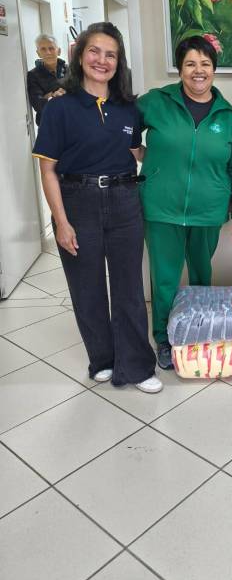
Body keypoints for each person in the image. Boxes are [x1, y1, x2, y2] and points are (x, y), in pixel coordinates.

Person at [32, 22, 162, 392]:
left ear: (119, 63)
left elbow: (137, 151)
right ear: (79, 56)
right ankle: (102, 359)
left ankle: (137, 366)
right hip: (78, 201)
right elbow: (48, 170)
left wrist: (178, 154)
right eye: (95, 51)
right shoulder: (59, 108)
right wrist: (61, 222)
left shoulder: (129, 108)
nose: (102, 60)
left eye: (111, 55)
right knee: (86, 286)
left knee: (129, 287)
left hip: (124, 200)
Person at [137, 35, 232, 370]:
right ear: (180, 69)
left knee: (201, 275)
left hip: (208, 212)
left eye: (205, 64)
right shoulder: (156, 102)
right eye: (190, 64)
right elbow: (119, 123)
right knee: (165, 279)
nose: (198, 71)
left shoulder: (227, 117)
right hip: (161, 208)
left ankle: (198, 331)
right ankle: (164, 338)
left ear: (214, 69)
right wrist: (139, 153)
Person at [27, 34, 67, 125]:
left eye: (51, 48)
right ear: (38, 53)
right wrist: (54, 95)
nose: (48, 52)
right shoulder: (33, 75)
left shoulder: (70, 70)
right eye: (43, 49)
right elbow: (38, 104)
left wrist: (47, 96)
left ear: (59, 51)